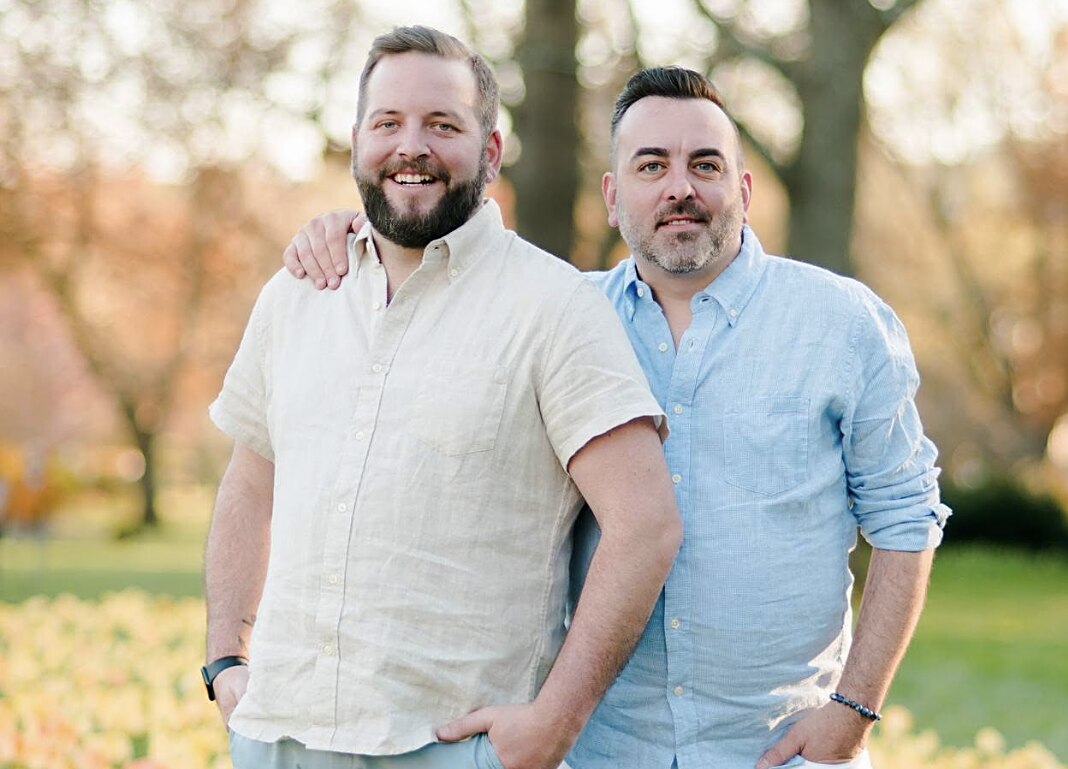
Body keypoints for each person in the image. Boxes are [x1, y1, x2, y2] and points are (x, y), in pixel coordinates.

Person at [285, 67, 950, 769]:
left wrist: (853, 710)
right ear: (612, 196)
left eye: (705, 165)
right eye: (651, 166)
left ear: (744, 191)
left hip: (781, 752)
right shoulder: (559, 318)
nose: (680, 189)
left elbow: (907, 516)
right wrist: (349, 230)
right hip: (597, 751)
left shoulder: (842, 324)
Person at [204, 27, 682, 769]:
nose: (411, 146)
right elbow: (248, 483)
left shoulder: (553, 307)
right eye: (387, 123)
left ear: (490, 152)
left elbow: (645, 524)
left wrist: (555, 720)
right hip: (278, 734)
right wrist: (225, 657)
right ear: (358, 141)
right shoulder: (296, 294)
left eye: (443, 125)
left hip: (450, 747)